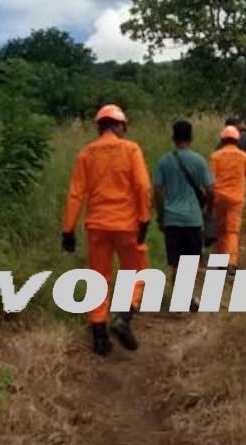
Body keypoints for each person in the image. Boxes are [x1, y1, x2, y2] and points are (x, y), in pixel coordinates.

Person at [61, 104, 152, 355]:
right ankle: (123, 317)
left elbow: (75, 194)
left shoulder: (86, 154)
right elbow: (143, 186)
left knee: (99, 277)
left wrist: (67, 230)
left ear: (99, 127)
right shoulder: (131, 149)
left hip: (97, 225)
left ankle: (99, 335)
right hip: (127, 223)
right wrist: (144, 219)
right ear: (120, 125)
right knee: (136, 272)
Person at [153, 119, 214, 269]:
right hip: (193, 219)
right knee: (192, 264)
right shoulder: (199, 161)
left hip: (172, 219)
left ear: (173, 139)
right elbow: (211, 190)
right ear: (191, 138)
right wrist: (208, 210)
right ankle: (187, 291)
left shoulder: (164, 161)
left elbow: (157, 191)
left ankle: (178, 290)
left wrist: (161, 217)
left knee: (176, 263)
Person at [209, 125, 246, 270]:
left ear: (223, 139)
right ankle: (231, 262)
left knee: (220, 230)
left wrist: (208, 199)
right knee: (232, 231)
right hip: (236, 200)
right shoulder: (244, 157)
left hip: (218, 198)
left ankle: (220, 262)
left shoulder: (215, 156)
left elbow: (210, 180)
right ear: (237, 140)